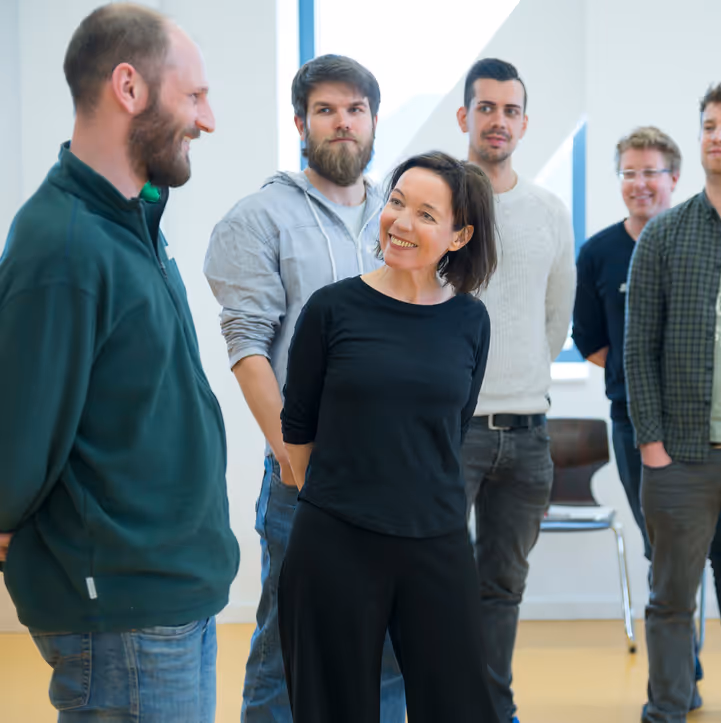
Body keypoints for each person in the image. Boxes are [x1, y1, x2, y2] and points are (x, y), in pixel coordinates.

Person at [0, 4, 238, 721]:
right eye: (193, 95)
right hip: (122, 614)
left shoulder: (132, 219)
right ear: (129, 88)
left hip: (164, 596)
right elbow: (18, 443)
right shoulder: (64, 248)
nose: (208, 118)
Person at [572, 125, 721, 722]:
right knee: (670, 560)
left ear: (673, 179)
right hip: (640, 428)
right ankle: (681, 687)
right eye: (628, 173)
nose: (640, 184)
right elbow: (592, 341)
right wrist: (653, 385)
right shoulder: (601, 252)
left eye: (651, 172)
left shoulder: (702, 240)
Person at [204, 54, 406, 722]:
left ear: (373, 120)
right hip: (308, 473)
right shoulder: (260, 216)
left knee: (392, 647)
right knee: (289, 645)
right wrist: (294, 458)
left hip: (395, 471)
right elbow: (247, 348)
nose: (342, 122)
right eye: (326, 109)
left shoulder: (400, 216)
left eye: (355, 109)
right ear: (300, 122)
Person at [277, 151, 499, 723]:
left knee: (460, 706)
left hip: (438, 541)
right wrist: (349, 504)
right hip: (337, 541)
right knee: (333, 708)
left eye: (426, 214)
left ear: (459, 235)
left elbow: (450, 428)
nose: (400, 222)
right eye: (396, 202)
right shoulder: (332, 309)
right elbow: (297, 433)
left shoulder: (471, 321)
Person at [455, 57, 576, 723]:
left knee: (501, 586)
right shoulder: (434, 199)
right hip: (451, 430)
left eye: (509, 110)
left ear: (523, 122)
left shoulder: (548, 211)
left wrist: (519, 369)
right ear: (464, 116)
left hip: (528, 434)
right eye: (485, 107)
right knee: (431, 581)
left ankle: (491, 709)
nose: (497, 120)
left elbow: (555, 319)